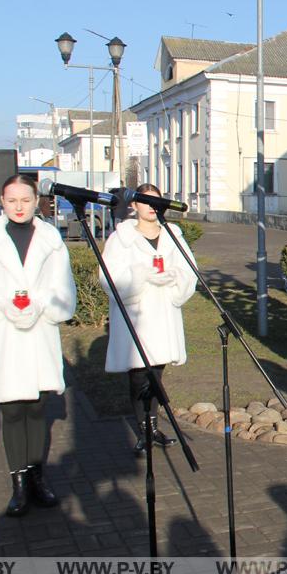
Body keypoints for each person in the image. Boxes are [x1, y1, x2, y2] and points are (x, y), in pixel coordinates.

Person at [0, 174, 76, 517]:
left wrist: (39, 302)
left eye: (25, 200)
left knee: (36, 406)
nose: (18, 207)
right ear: (1, 201)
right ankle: (18, 483)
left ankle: (37, 477)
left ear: (36, 202)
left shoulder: (50, 239)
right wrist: (4, 302)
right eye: (12, 200)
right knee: (11, 409)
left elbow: (63, 288)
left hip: (38, 333)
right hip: (2, 336)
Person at [102, 183, 197, 455]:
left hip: (163, 313)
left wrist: (173, 278)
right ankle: (142, 429)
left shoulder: (172, 234)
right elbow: (110, 277)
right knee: (138, 377)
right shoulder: (121, 239)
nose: (151, 207)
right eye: (144, 201)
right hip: (137, 315)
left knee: (156, 375)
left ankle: (153, 427)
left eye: (155, 201)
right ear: (134, 205)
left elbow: (188, 271)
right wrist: (141, 276)